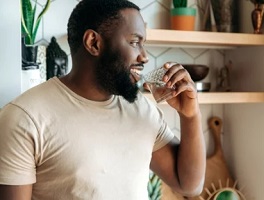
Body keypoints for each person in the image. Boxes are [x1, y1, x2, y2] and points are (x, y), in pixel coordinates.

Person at [0, 0, 206, 199]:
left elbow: (189, 185)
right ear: (93, 43)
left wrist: (190, 115)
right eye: (135, 42)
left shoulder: (143, 110)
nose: (145, 57)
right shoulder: (24, 118)